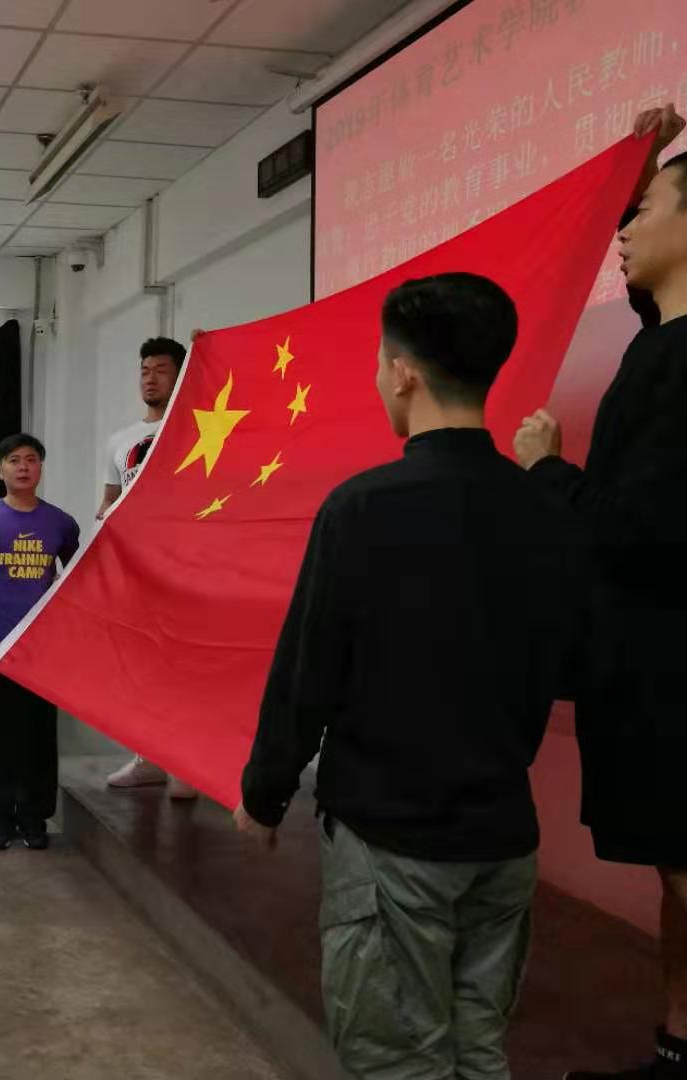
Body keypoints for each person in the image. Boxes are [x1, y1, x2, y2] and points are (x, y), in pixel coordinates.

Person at [234, 274, 580, 1080]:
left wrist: (264, 792)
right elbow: (568, 657)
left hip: (392, 841)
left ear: (403, 372)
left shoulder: (363, 507)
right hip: (504, 839)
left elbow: (308, 669)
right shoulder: (546, 508)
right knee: (479, 1051)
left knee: (398, 1061)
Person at [515, 105, 687, 1080]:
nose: (624, 233)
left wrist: (549, 471)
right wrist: (641, 165)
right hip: (649, 667)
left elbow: (642, 527)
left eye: (646, 211)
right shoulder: (663, 342)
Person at [0, 434, 80, 851]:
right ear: (1, 470)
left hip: (42, 652)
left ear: (40, 469)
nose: (24, 467)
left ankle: (34, 816)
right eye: (14, 460)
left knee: (38, 737)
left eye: (32, 460)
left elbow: (76, 579)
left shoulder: (60, 523)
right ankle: (0, 816)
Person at [100, 337, 199, 799]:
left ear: (180, 376)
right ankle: (148, 757)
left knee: (181, 666)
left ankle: (184, 763)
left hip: (184, 566)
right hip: (136, 570)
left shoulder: (196, 428)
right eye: (145, 370)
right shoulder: (120, 440)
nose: (150, 378)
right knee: (140, 666)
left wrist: (208, 359)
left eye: (161, 370)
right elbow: (109, 500)